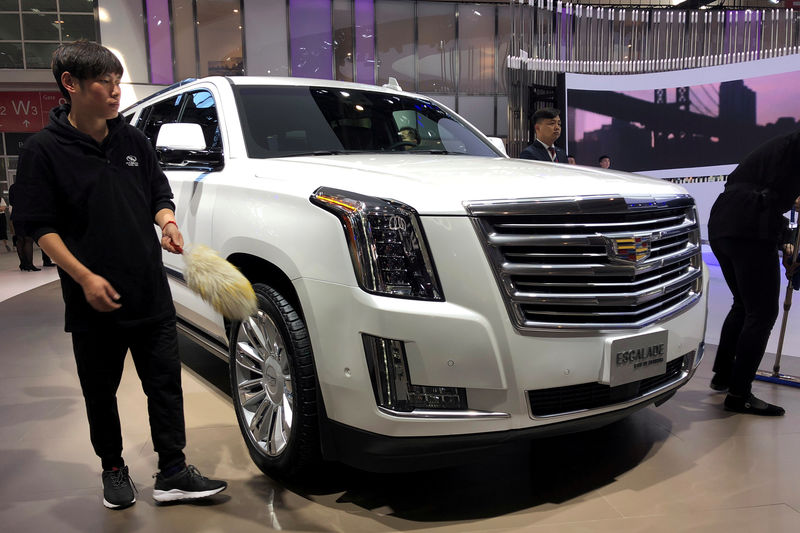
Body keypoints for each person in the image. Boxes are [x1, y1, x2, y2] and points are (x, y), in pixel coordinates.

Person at [11, 40, 228, 509]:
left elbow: (157, 190)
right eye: (104, 83)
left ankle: (172, 470)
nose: (115, 92)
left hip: (149, 293)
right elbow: (38, 224)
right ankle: (113, 467)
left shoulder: (132, 141)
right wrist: (84, 277)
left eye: (117, 82)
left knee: (164, 384)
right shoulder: (43, 151)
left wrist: (167, 221)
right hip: (94, 303)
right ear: (70, 85)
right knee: (100, 390)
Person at [706, 131, 800, 416]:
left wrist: (783, 235)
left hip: (724, 222)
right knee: (762, 312)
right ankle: (739, 394)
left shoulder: (781, 148)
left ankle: (724, 375)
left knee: (744, 304)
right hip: (750, 225)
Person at [8, 184, 39, 271]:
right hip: (27, 214)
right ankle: (30, 264)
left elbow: (11, 202)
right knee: (28, 239)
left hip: (16, 215)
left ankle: (23, 263)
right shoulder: (29, 186)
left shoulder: (13, 187)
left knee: (20, 239)